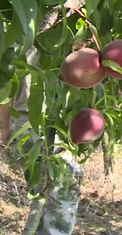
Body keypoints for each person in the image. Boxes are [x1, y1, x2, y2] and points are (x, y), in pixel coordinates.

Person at [1, 46, 83, 235]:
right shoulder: (69, 39)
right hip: (63, 128)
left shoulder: (20, 39)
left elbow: (4, 87)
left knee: (40, 196)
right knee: (61, 200)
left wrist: (6, 127)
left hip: (27, 129)